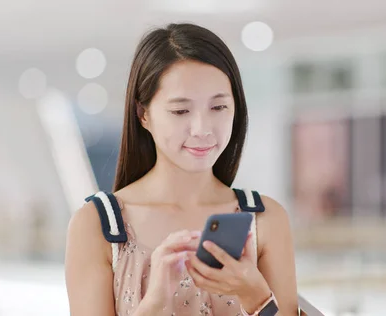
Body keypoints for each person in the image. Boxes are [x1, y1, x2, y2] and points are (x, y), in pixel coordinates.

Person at [65, 23, 299, 316]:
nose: (202, 130)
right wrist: (153, 304)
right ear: (143, 114)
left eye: (218, 108)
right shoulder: (97, 226)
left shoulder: (265, 220)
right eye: (180, 111)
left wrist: (255, 295)